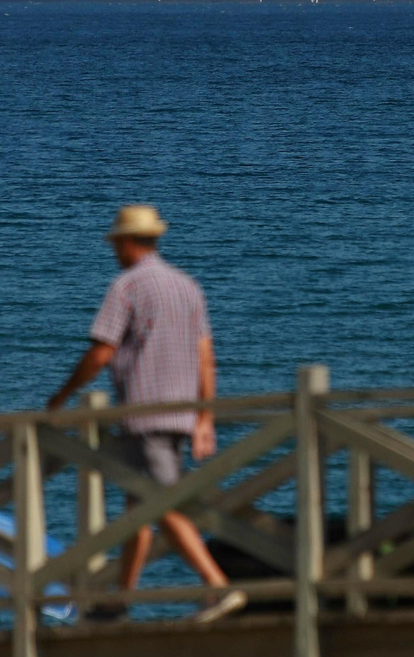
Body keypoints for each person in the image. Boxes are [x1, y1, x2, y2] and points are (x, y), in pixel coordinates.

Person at [45, 204, 247, 624]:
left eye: (116, 243)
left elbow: (101, 352)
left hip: (145, 414)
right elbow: (205, 357)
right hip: (182, 413)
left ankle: (218, 587)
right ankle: (119, 602)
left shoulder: (127, 287)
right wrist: (204, 418)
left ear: (126, 243)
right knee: (138, 510)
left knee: (161, 505)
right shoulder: (187, 287)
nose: (114, 250)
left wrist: (60, 396)